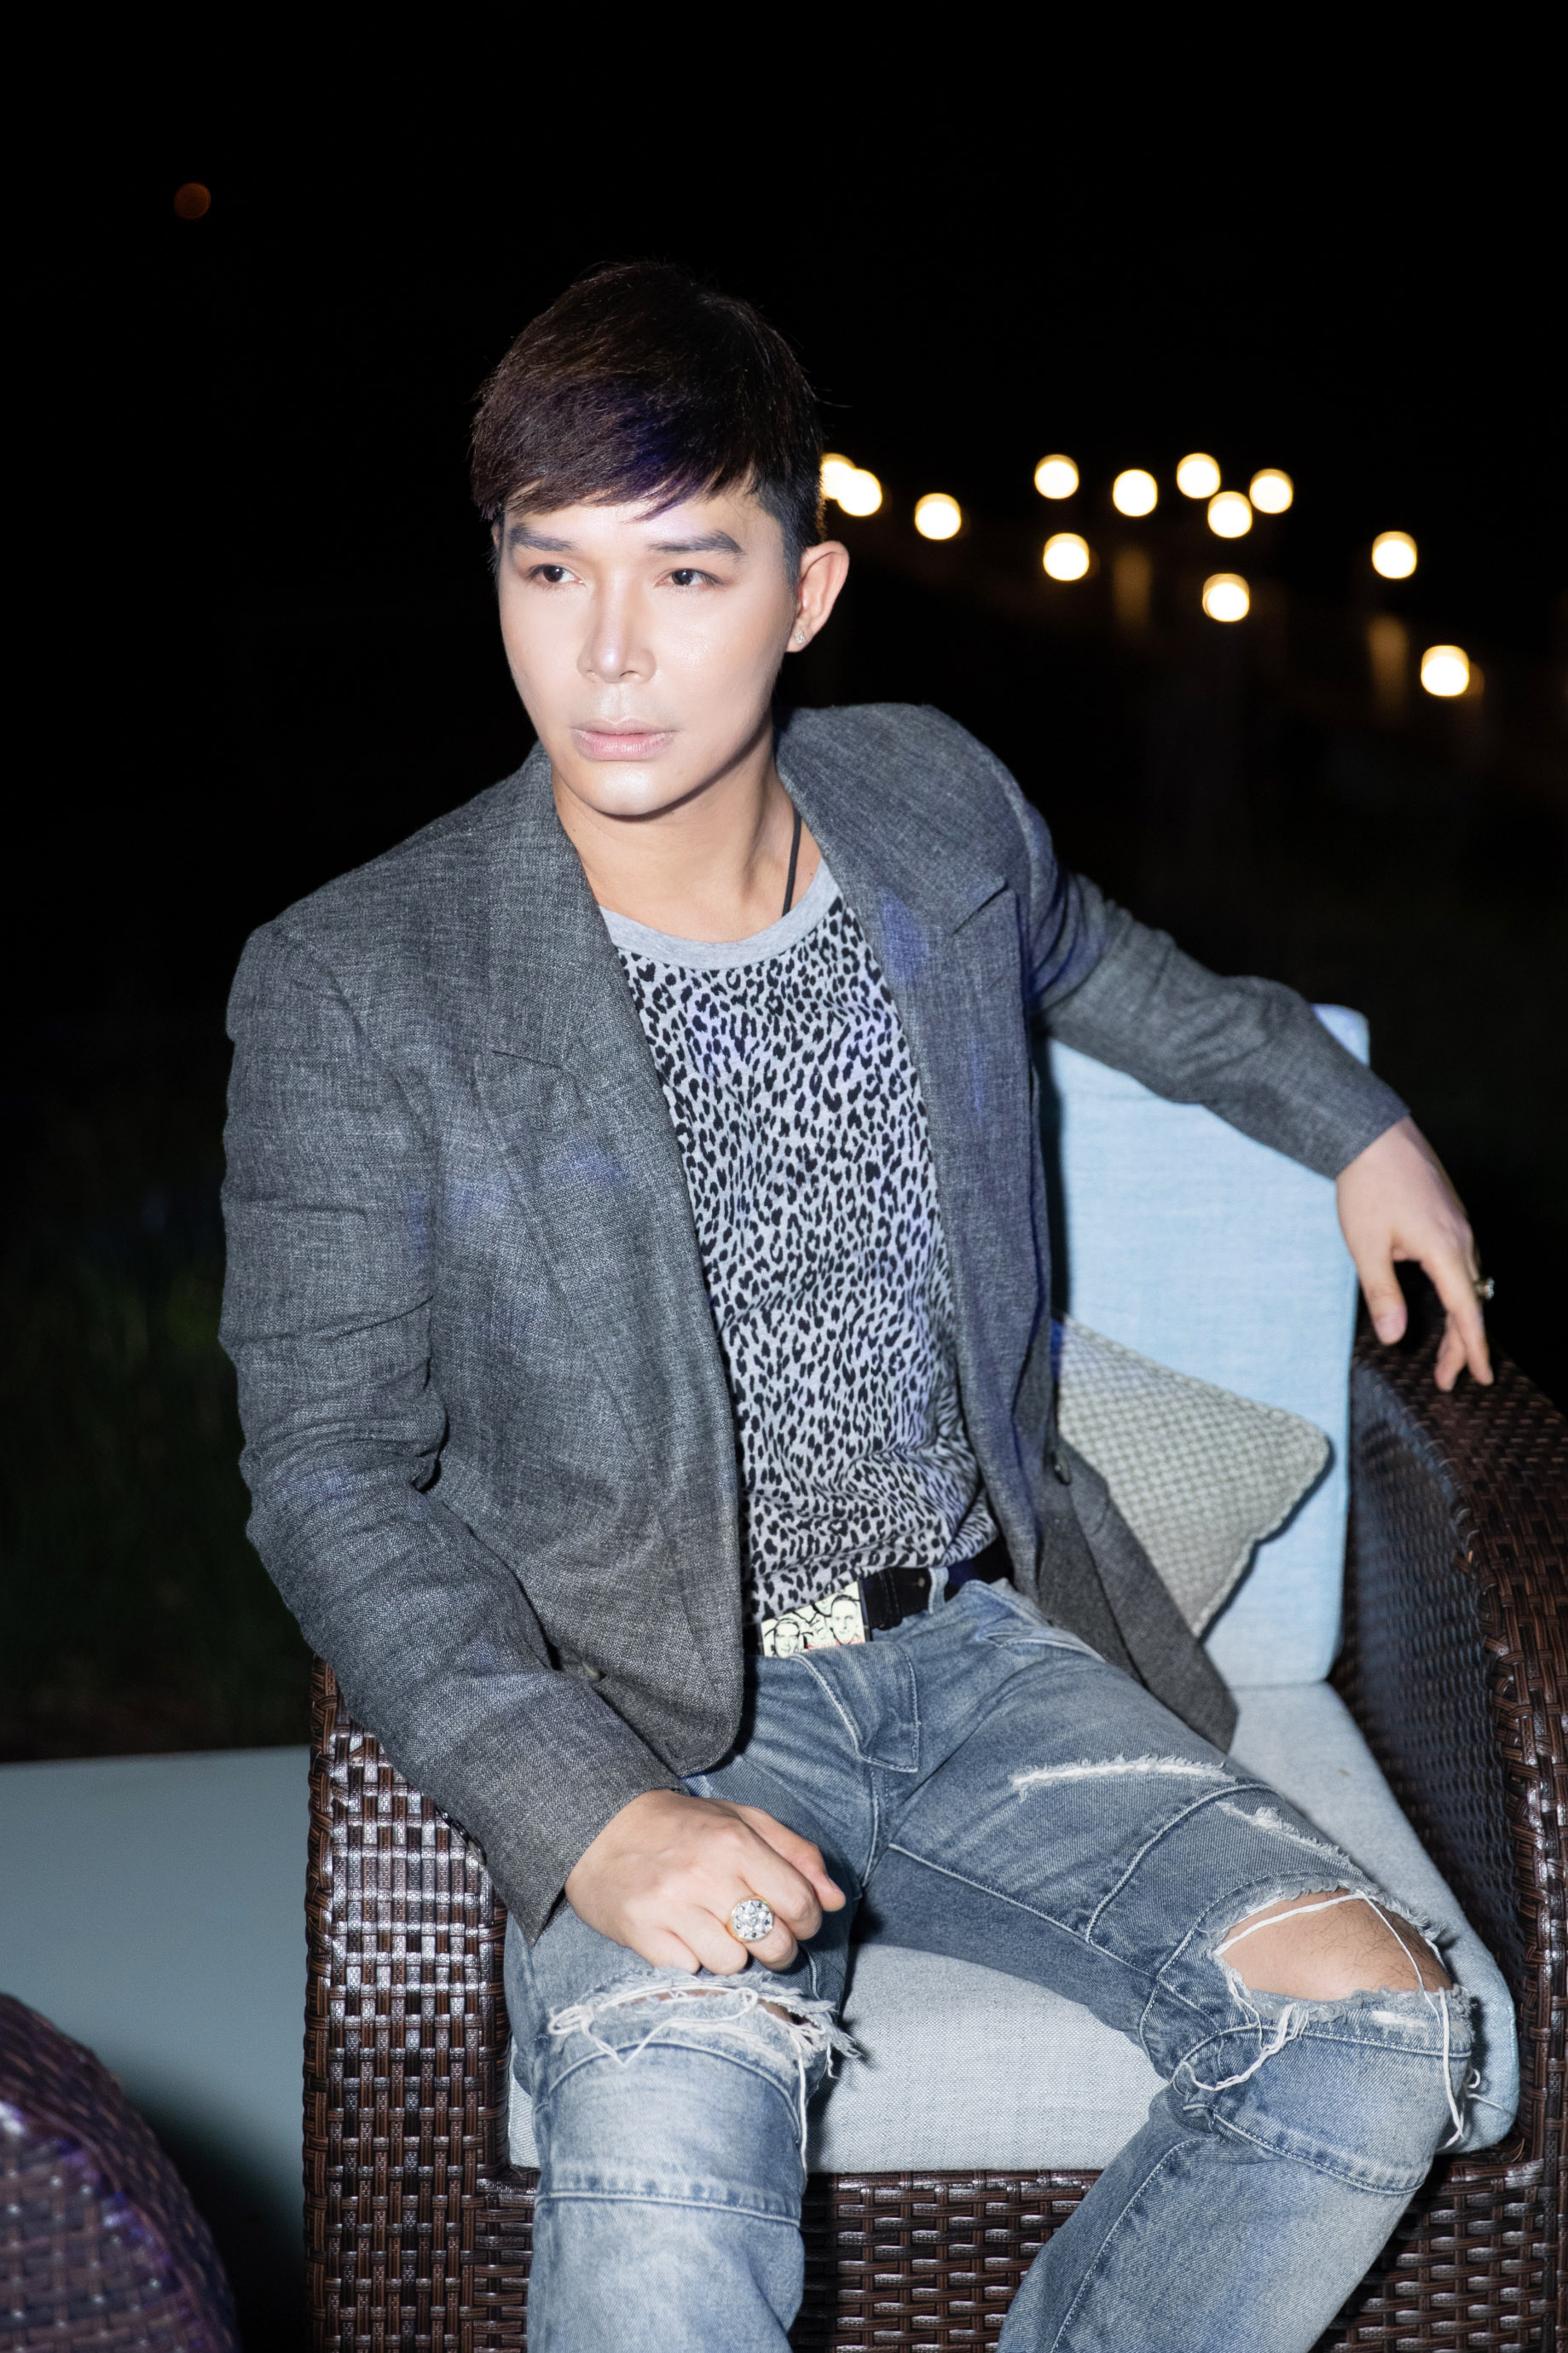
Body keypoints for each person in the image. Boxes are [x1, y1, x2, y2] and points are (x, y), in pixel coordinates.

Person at [221, 263, 1504, 2352]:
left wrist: (1347, 1116)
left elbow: (1105, 963)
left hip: (985, 1650)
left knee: (1368, 2031)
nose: (606, 653)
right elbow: (328, 1474)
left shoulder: (929, 802)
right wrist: (586, 1814)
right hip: (642, 1698)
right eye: (548, 571)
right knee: (663, 2218)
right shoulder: (362, 981)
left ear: (803, 594)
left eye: (685, 573)